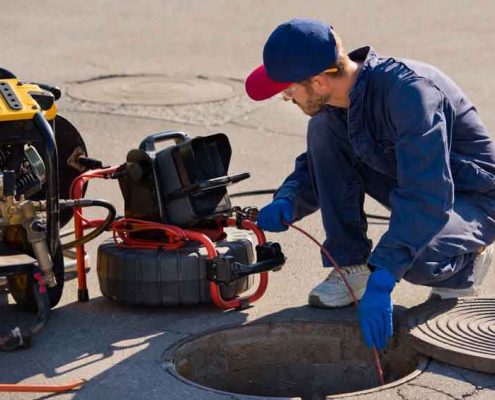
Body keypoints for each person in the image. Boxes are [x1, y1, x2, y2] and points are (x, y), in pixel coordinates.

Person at [245, 18, 495, 351]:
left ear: (318, 82)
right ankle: (351, 265)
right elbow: (321, 163)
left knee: (415, 261)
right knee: (323, 129)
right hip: (416, 179)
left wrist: (386, 271)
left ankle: (466, 260)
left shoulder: (410, 94)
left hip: (474, 197)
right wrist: (288, 200)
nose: (285, 97)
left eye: (288, 88)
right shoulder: (342, 96)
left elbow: (427, 194)